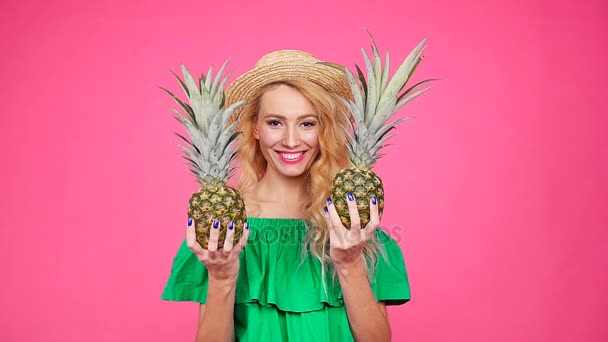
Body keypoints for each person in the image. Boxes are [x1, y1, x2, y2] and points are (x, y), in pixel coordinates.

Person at [161, 50, 411, 341]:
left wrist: (349, 262)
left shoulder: (353, 225)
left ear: (324, 130)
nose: (291, 140)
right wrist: (221, 278)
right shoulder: (226, 227)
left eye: (307, 123)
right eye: (275, 123)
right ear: (255, 128)